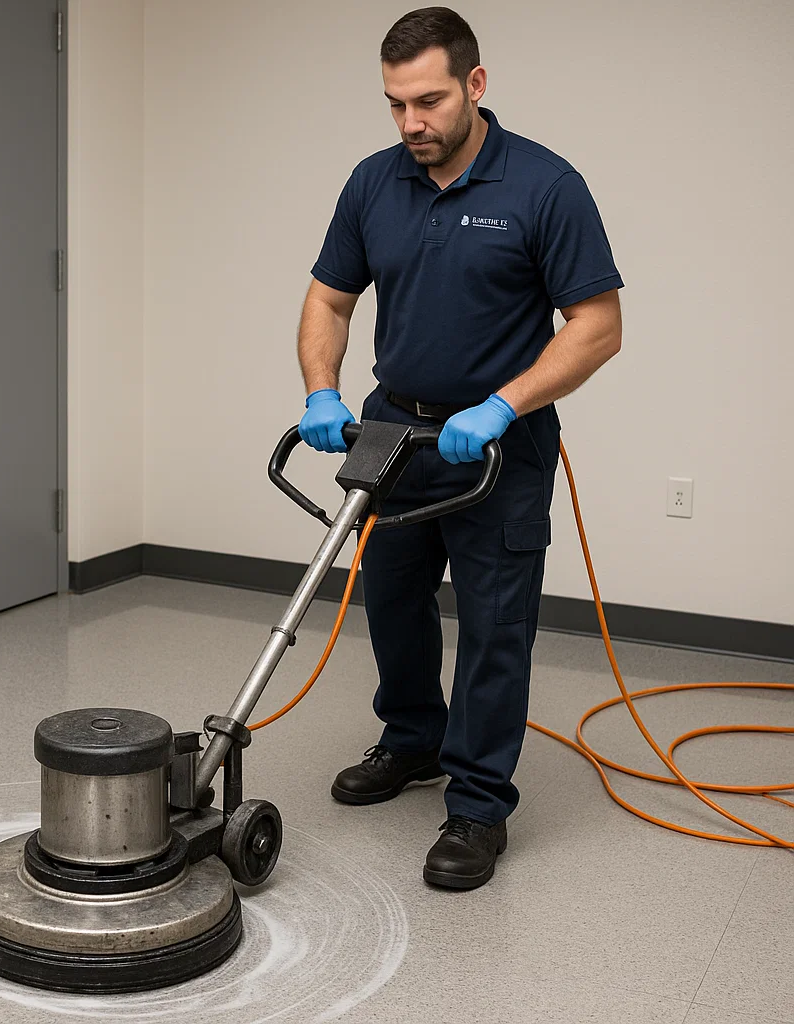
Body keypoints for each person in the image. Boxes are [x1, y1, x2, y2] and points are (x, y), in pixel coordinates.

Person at [297, 7, 624, 890]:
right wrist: (322, 388)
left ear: (475, 85)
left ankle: (478, 804)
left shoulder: (545, 186)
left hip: (498, 444)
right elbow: (329, 299)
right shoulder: (373, 183)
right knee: (392, 600)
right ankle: (413, 740)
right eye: (395, 103)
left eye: (429, 101)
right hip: (394, 433)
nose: (411, 123)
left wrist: (504, 404)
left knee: (493, 623)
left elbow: (598, 325)